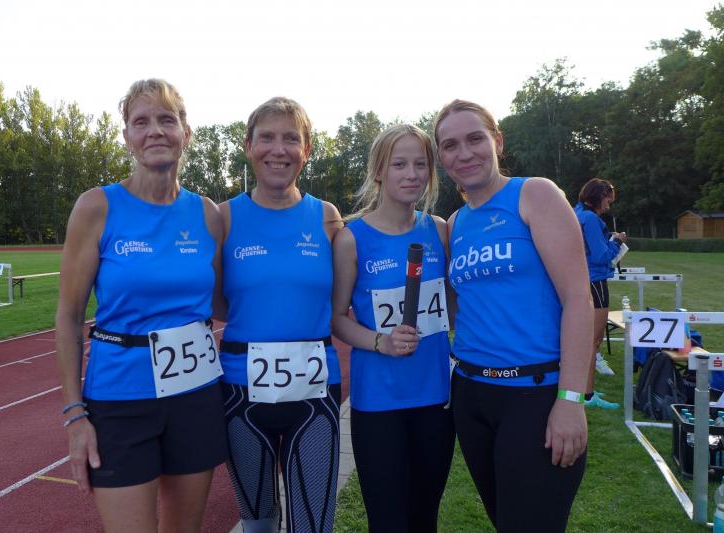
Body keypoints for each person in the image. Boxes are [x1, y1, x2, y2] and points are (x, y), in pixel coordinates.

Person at [55, 79, 228, 532]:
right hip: (120, 397)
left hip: (195, 395)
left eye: (167, 120)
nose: (155, 131)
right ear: (127, 136)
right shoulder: (96, 208)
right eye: (141, 122)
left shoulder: (207, 214)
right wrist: (74, 415)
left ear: (186, 133)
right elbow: (69, 317)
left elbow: (221, 303)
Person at [435, 99, 591, 533]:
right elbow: (461, 305)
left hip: (533, 396)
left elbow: (578, 299)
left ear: (497, 142)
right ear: (442, 157)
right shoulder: (456, 222)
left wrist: (571, 399)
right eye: (450, 145)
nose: (464, 153)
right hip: (471, 396)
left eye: (474, 139)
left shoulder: (534, 194)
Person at [217, 96, 343, 533]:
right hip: (241, 392)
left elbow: (338, 300)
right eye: (266, 137)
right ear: (248, 146)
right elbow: (214, 300)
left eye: (291, 139)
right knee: (258, 524)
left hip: (315, 394)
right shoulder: (223, 217)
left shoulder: (326, 217)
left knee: (314, 525)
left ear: (306, 149)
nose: (278, 149)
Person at [331, 124, 455, 532]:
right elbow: (337, 318)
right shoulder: (352, 239)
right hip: (379, 403)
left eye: (421, 164)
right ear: (379, 171)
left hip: (435, 399)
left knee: (425, 518)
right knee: (387, 521)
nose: (412, 174)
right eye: (399, 164)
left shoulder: (439, 230)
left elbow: (452, 308)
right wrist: (380, 342)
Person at [574, 178, 626, 409]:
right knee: (593, 341)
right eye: (608, 200)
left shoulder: (577, 213)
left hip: (580, 281)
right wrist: (617, 242)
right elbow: (601, 256)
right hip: (595, 281)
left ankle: (583, 388)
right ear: (598, 196)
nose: (608, 205)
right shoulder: (591, 219)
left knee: (583, 340)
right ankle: (587, 395)